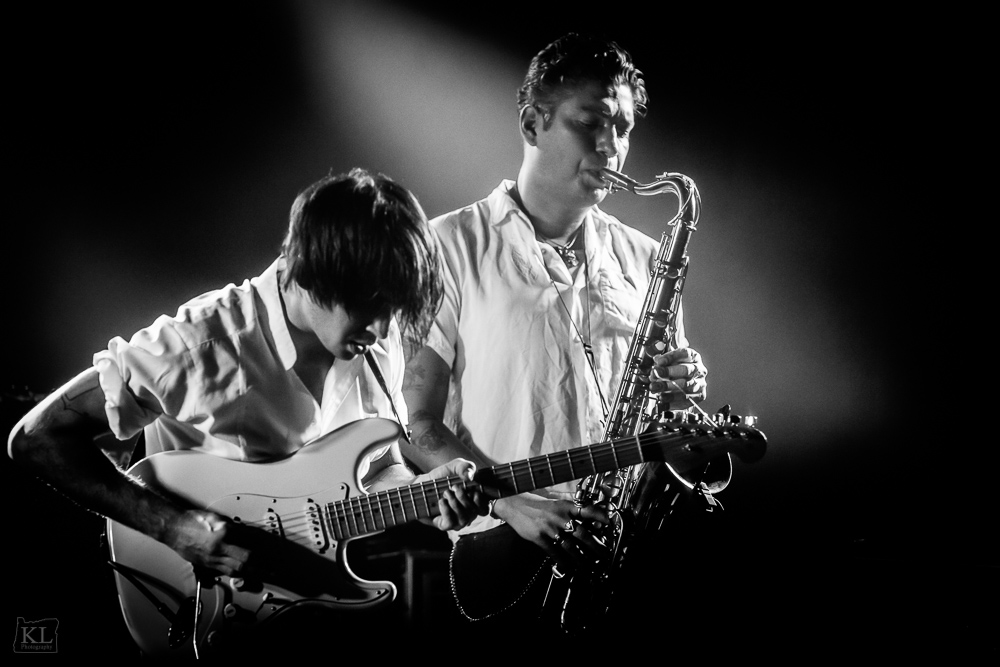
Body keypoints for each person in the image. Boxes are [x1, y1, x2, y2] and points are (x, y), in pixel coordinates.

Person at [7, 168, 486, 656]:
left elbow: (377, 470)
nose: (383, 329)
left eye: (393, 309)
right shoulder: (202, 344)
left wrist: (426, 495)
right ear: (310, 273)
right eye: (371, 306)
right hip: (198, 605)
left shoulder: (378, 350)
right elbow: (37, 437)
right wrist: (172, 528)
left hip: (304, 617)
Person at [402, 34, 724, 639]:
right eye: (591, 122)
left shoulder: (647, 259)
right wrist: (511, 504)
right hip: (504, 563)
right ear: (532, 123)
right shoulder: (445, 248)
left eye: (623, 128)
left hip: (626, 562)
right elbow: (418, 426)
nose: (612, 146)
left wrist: (681, 398)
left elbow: (666, 429)